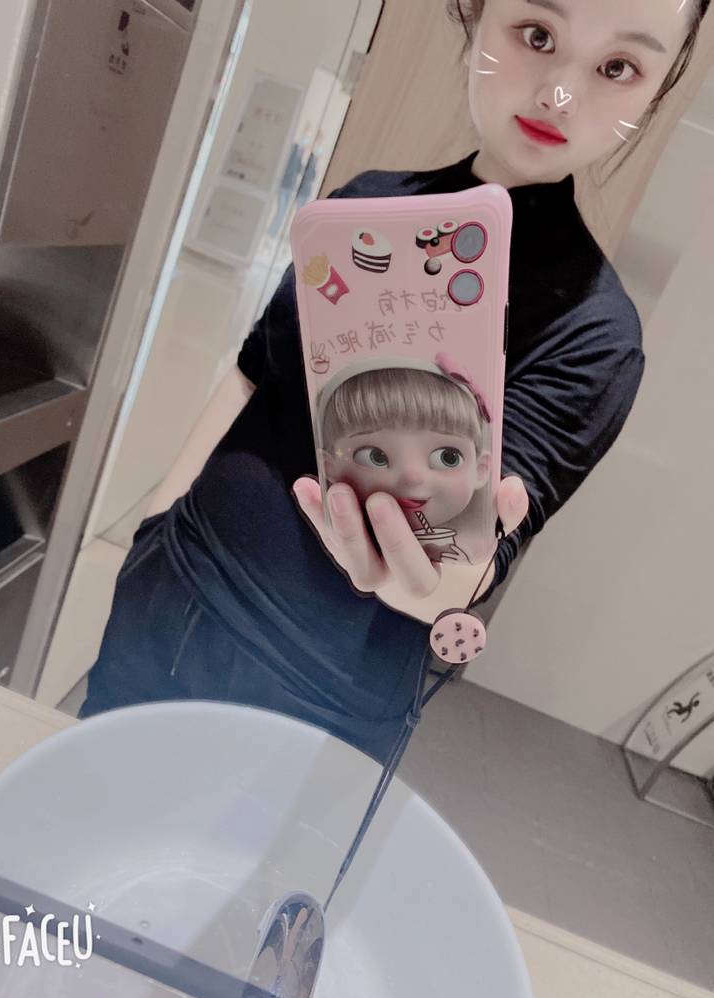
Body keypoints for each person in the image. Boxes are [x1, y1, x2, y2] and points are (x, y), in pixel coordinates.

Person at [80, 0, 709, 764]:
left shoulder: (596, 335)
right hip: (169, 588)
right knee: (76, 813)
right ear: (476, 14)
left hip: (314, 700)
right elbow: (252, 374)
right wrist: (157, 522)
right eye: (537, 35)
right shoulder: (365, 203)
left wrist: (433, 573)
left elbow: (469, 561)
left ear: (657, 89)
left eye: (618, 67)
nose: (560, 95)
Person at [316, 357, 492, 563]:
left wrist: (468, 574)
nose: (412, 477)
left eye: (447, 457)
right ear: (329, 466)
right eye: (375, 457)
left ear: (481, 469)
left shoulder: (471, 543)